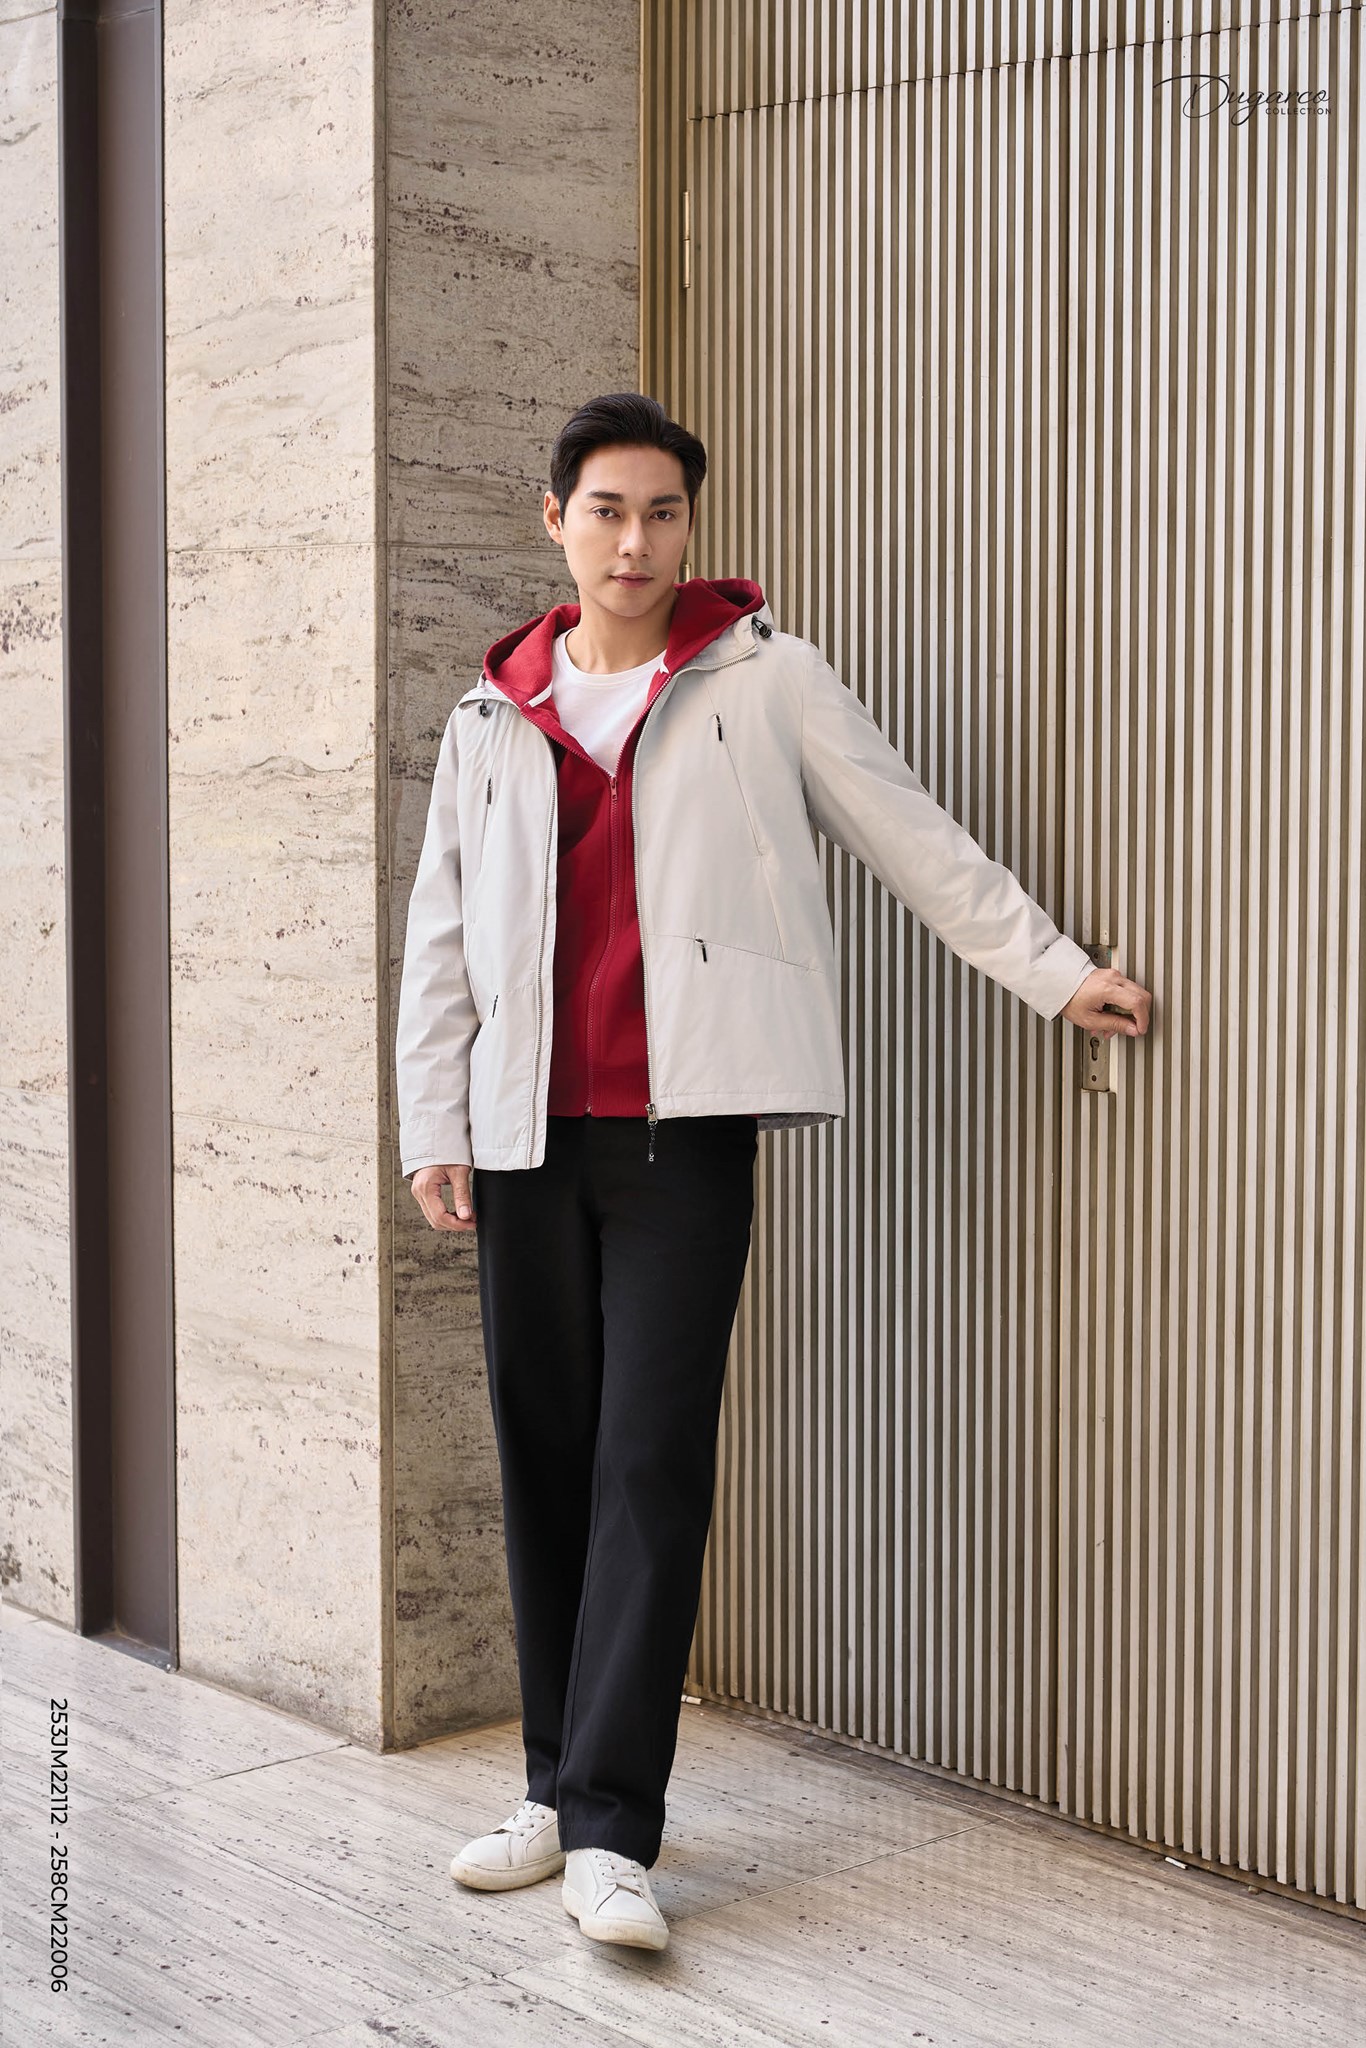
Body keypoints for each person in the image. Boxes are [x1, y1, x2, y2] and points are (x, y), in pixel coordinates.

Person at [395, 392, 1152, 1954]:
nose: (634, 541)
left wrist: (1052, 972)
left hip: (684, 1136)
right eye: (606, 510)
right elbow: (442, 937)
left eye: (661, 512)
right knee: (545, 1455)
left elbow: (910, 836)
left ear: (690, 525)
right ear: (554, 520)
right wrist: (433, 1123)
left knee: (648, 1461)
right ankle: (550, 1788)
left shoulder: (764, 680)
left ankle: (613, 1829)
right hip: (525, 1140)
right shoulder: (489, 718)